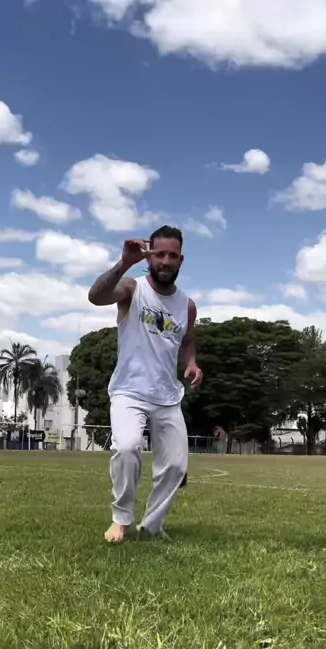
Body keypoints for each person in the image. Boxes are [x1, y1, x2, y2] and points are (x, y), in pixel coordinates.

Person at [88, 225, 202, 543]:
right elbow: (95, 296)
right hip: (129, 391)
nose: (165, 261)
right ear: (149, 257)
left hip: (167, 395)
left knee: (176, 466)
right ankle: (121, 519)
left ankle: (151, 526)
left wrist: (191, 362)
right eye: (159, 254)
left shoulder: (187, 305)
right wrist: (125, 262)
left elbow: (188, 340)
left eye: (172, 255)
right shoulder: (131, 289)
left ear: (181, 260)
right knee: (127, 448)